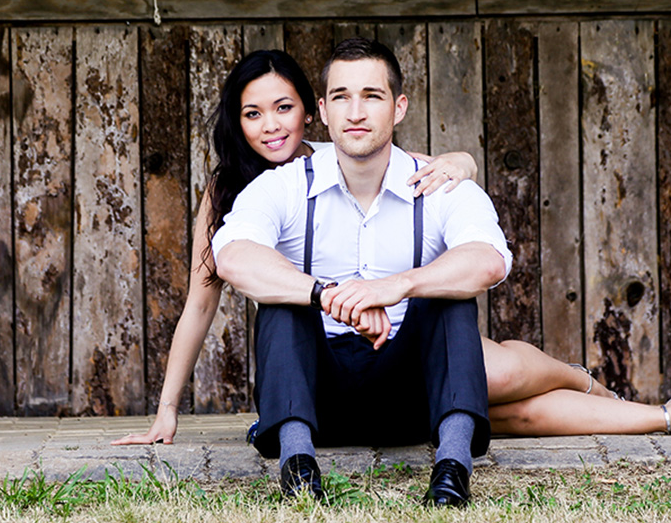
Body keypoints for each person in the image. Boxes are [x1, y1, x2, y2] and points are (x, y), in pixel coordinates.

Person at [112, 49, 480, 447]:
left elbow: (429, 168)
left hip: (387, 344)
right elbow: (200, 305)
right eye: (252, 114)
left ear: (311, 111)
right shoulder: (227, 192)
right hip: (307, 352)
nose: (270, 126)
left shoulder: (340, 157)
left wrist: (463, 161)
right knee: (506, 396)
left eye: (283, 108)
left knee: (503, 369)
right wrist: (167, 411)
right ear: (238, 122)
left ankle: (554, 377)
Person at [211, 37, 512, 506]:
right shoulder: (284, 185)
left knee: (447, 295)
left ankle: (452, 472)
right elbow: (232, 254)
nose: (355, 112)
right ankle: (298, 470)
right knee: (285, 302)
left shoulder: (438, 182)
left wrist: (397, 286)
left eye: (371, 96)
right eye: (341, 97)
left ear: (399, 107)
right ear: (323, 112)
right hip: (317, 401)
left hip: (412, 401)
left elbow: (489, 259)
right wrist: (329, 294)